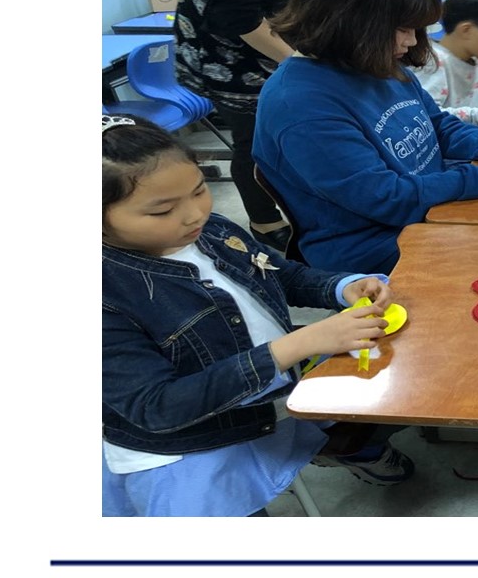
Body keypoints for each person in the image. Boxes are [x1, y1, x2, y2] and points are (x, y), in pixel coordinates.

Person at [102, 114, 416, 517]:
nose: (194, 215)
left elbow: (278, 272)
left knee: (403, 378)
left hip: (268, 394)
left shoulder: (211, 231)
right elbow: (158, 406)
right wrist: (297, 345)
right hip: (193, 448)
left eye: (199, 191)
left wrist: (341, 286)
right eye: (162, 211)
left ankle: (347, 447)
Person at [252, 0, 478, 275]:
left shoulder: (372, 62)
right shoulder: (301, 106)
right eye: (402, 28)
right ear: (349, 21)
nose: (412, 42)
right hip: (379, 249)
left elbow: (438, 125)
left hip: (430, 208)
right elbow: (386, 199)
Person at [174, 0, 332, 252]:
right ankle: (265, 222)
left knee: (310, 137)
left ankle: (316, 215)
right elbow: (240, 18)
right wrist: (303, 68)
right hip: (235, 62)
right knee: (255, 142)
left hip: (301, 48)